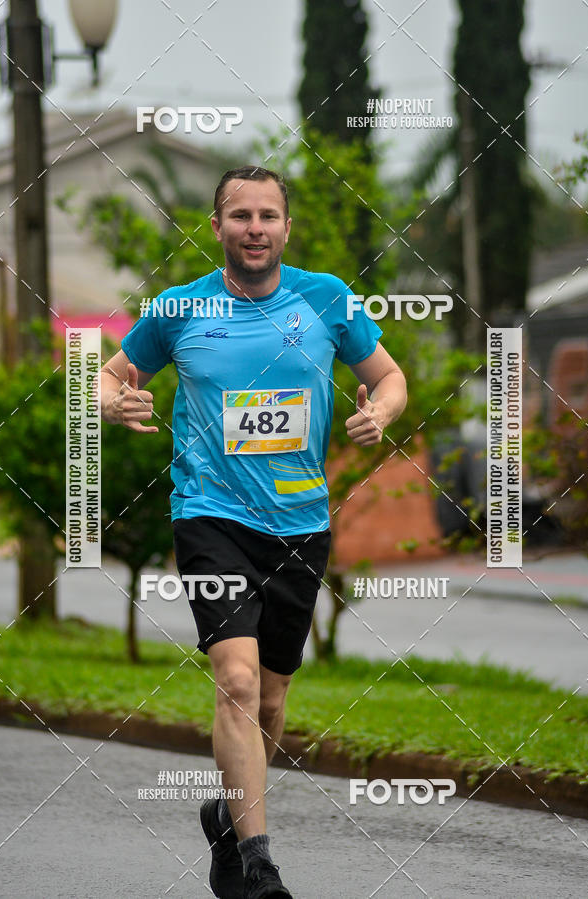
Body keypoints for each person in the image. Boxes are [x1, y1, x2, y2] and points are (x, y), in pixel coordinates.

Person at [101, 165, 407, 899]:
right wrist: (113, 401)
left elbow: (390, 377)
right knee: (234, 681)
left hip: (301, 522)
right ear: (217, 228)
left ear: (286, 228)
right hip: (209, 515)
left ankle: (228, 814)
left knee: (270, 701)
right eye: (240, 215)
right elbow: (107, 373)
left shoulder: (327, 298)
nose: (256, 227)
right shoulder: (178, 308)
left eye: (268, 215)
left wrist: (381, 415)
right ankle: (259, 860)